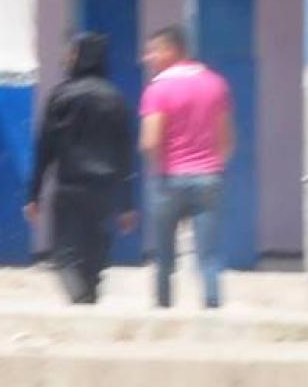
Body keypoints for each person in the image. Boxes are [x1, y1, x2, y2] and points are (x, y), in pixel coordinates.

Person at [25, 32, 138, 306]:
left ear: (82, 56)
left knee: (64, 252)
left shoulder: (61, 96)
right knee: (95, 249)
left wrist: (33, 194)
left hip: (70, 185)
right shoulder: (115, 98)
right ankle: (89, 296)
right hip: (103, 189)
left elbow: (45, 147)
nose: (67, 58)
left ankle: (80, 298)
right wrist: (127, 204)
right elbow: (125, 153)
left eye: (72, 52)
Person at [138, 26, 237, 311]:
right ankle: (212, 306)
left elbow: (150, 141)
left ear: (171, 50)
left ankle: (164, 308)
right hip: (209, 177)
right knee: (209, 254)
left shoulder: (158, 89)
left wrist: (158, 169)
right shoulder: (215, 83)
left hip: (169, 178)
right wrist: (214, 166)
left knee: (164, 255)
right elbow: (226, 139)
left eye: (153, 51)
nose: (148, 58)